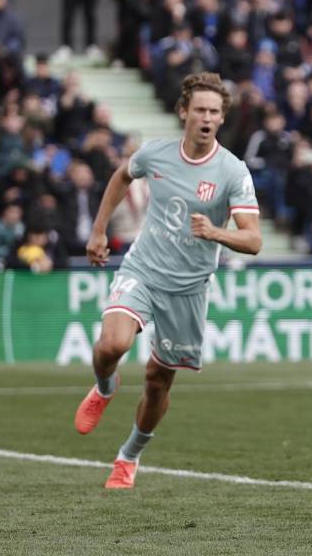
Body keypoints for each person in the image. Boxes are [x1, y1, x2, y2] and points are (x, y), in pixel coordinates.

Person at [73, 72, 262, 489]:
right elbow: (122, 177)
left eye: (215, 111)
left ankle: (129, 457)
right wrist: (99, 231)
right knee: (112, 345)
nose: (207, 118)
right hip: (144, 269)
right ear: (183, 113)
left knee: (157, 383)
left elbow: (253, 239)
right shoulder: (155, 154)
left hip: (189, 288)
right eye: (200, 110)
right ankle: (105, 387)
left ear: (222, 118)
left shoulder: (232, 171)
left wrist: (216, 232)